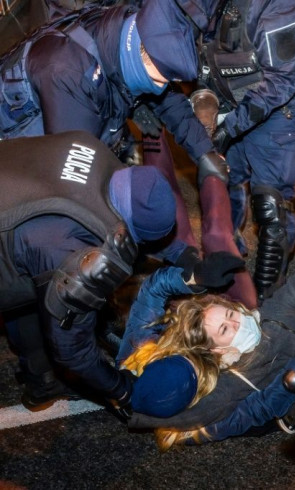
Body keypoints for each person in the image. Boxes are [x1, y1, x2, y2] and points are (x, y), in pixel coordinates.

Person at [0, 0, 258, 308]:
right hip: (22, 182)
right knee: (51, 269)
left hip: (58, 152)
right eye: (159, 78)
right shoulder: (67, 73)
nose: (163, 87)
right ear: (140, 51)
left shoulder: (126, 29)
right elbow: (86, 200)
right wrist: (181, 257)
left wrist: (203, 151)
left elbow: (166, 96)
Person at [0, 130, 176, 416]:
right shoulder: (69, 248)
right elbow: (71, 350)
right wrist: (121, 389)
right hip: (19, 235)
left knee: (32, 279)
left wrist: (187, 259)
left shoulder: (90, 145)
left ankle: (40, 378)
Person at [114, 241, 295, 450]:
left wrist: (195, 278)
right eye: (225, 328)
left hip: (278, 342)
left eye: (231, 314)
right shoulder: (213, 405)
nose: (236, 322)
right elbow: (257, 410)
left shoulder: (138, 349)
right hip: (281, 386)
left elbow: (153, 289)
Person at [200, 0, 295, 303]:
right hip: (232, 102)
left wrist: (231, 127)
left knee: (271, 206)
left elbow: (283, 77)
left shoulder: (276, 3)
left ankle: (269, 299)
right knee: (222, 185)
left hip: (277, 110)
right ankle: (228, 265)